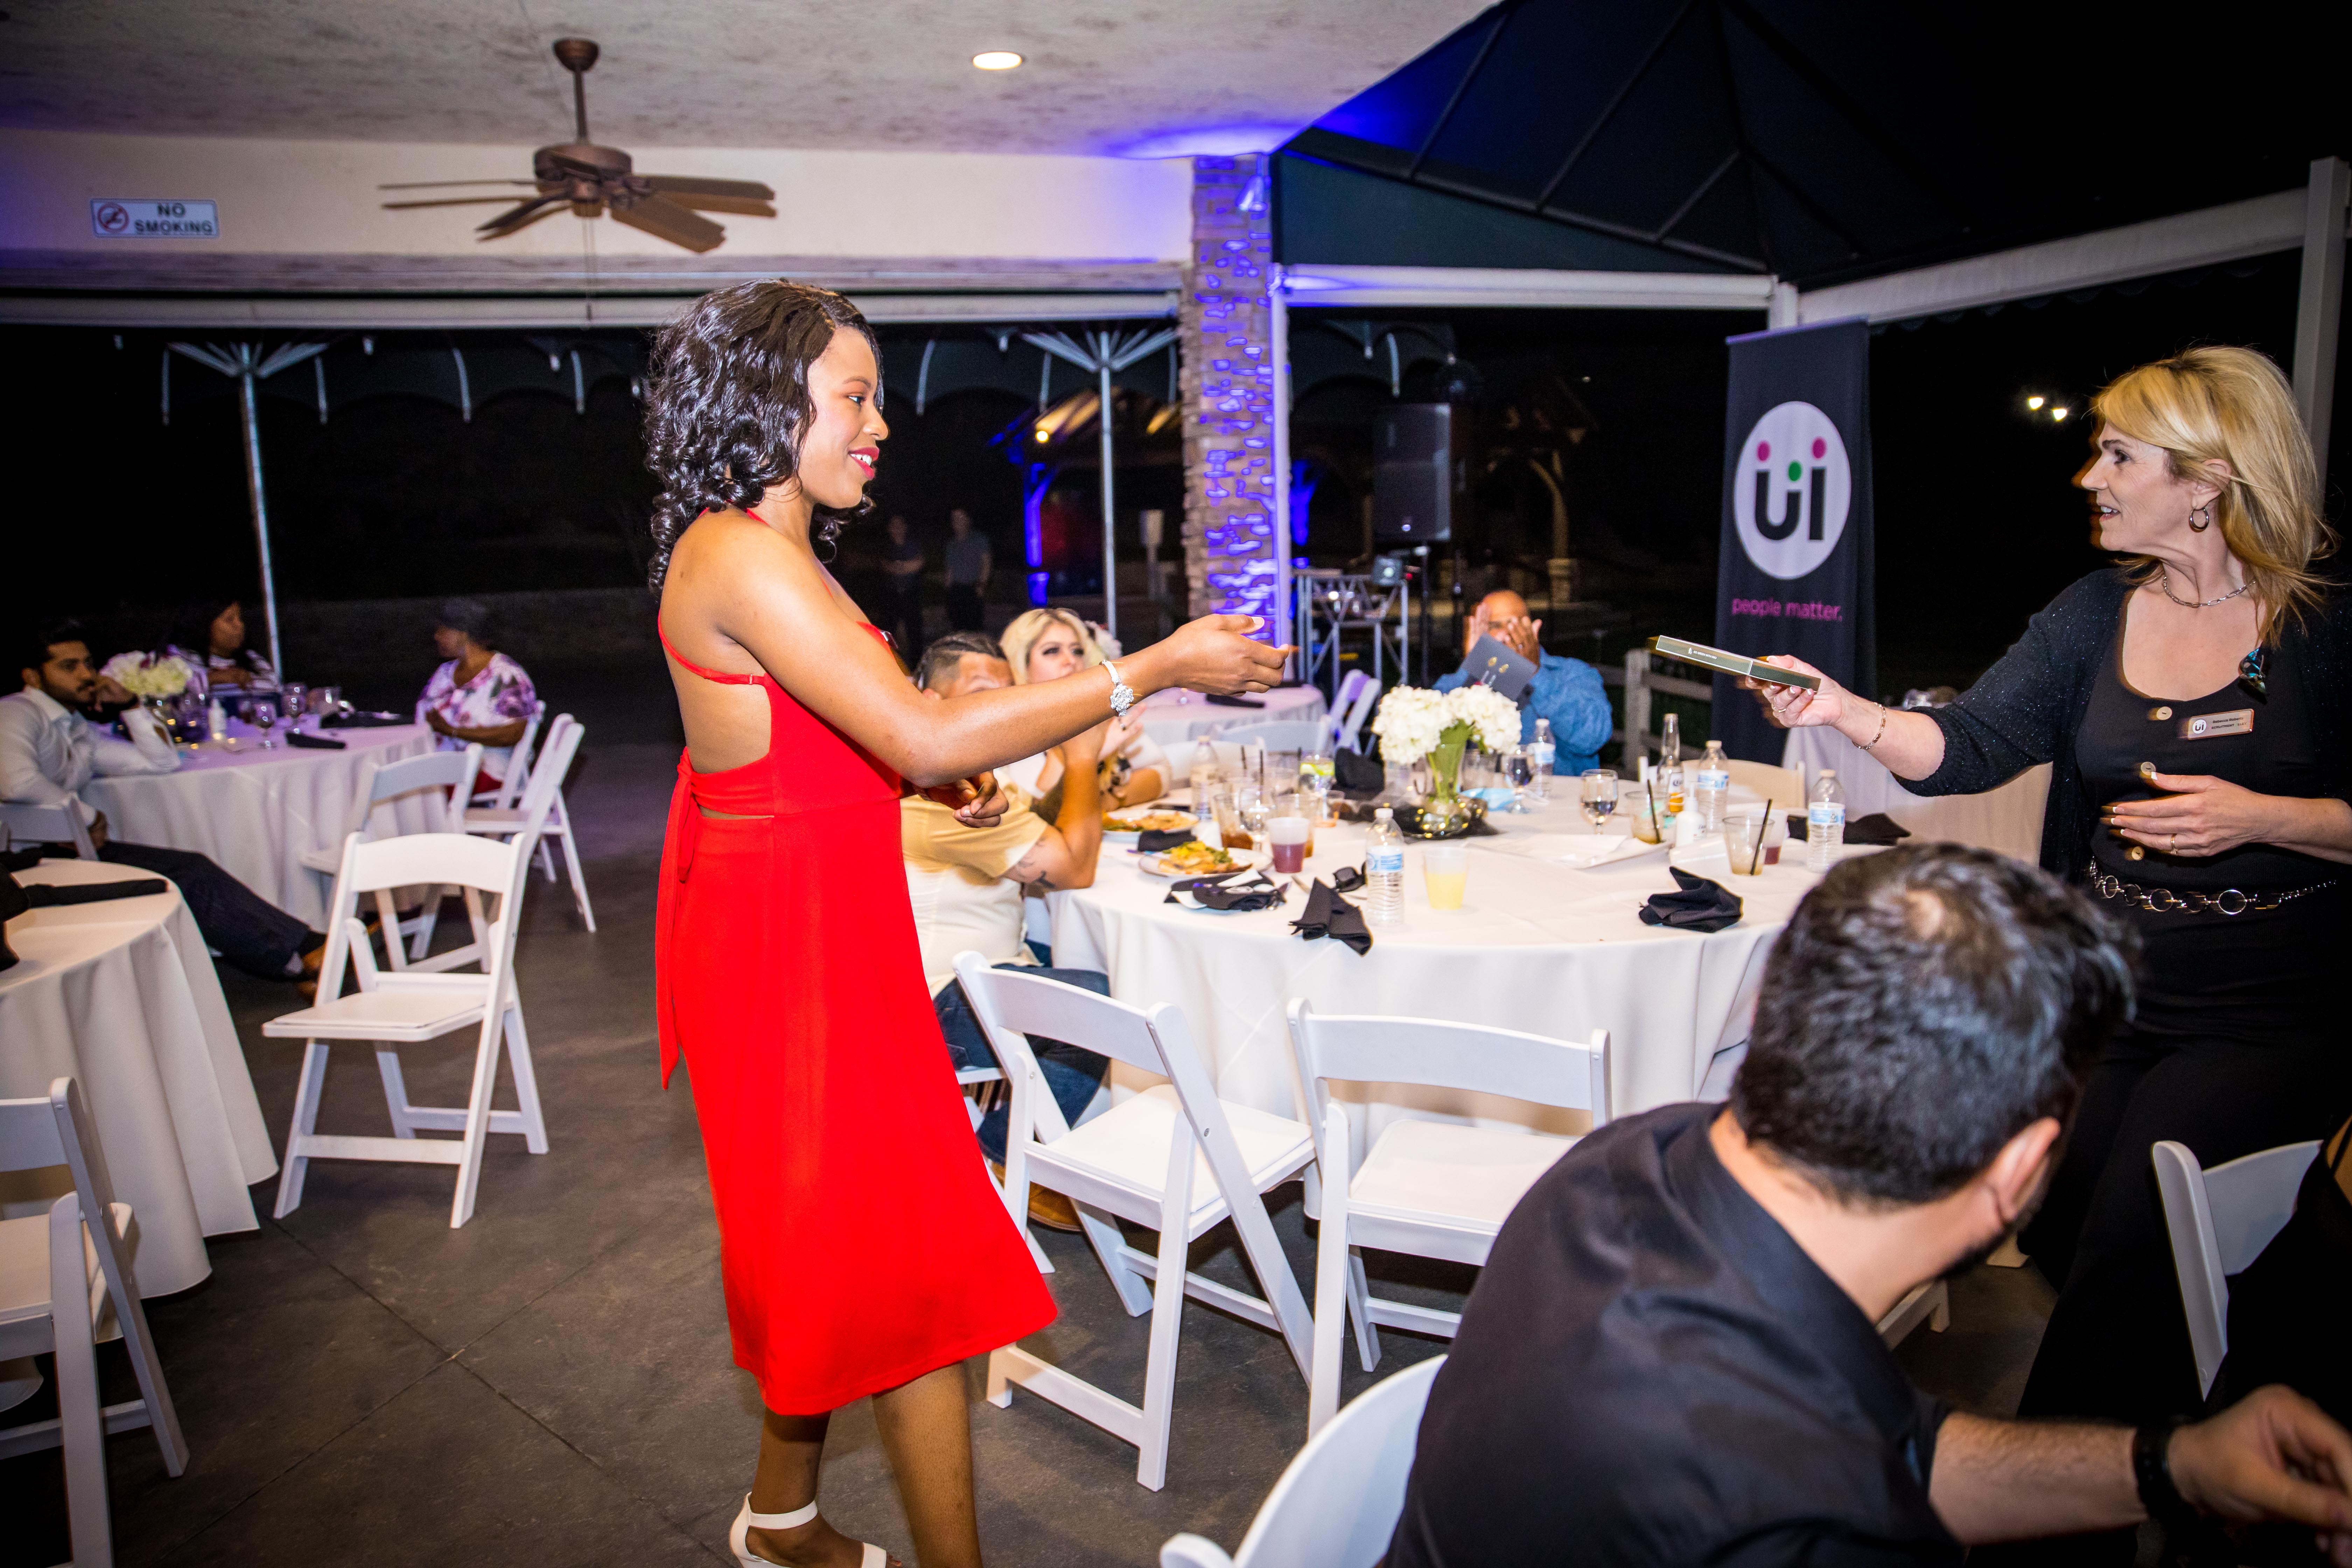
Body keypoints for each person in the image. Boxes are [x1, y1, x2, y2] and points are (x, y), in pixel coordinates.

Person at [642, 279, 1286, 1568]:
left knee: (833, 1252)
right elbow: (918, 727)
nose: (880, 424)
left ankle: (780, 1520)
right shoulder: (738, 553)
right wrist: (1148, 668)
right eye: (855, 397)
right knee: (907, 1270)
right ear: (769, 403)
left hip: (826, 926)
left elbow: (858, 737)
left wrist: (924, 779)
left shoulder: (776, 552)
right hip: (791, 957)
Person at [1744, 348, 2352, 1498]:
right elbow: (1970, 745)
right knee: (2062, 1212)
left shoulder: (2329, 623)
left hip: (2274, 1007)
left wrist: (2267, 816)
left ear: (2207, 480)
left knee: (2134, 1225)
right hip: (2114, 984)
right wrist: (1845, 710)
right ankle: (2222, 1429)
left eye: (2119, 456)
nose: (2090, 477)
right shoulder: (2092, 615)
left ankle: (2081, 1498)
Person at [1388, 844, 2352, 1568]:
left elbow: (1896, 1446)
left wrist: (2169, 1467)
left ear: (1776, 1017)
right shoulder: (1808, 1521)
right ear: (2020, 1170)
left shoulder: (1622, 1163)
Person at [903, 631, 1114, 1231]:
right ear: (928, 701)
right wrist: (1082, 758)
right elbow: (1073, 867)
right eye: (979, 695)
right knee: (1105, 1000)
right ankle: (1006, 1156)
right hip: (932, 1011)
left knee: (1098, 960)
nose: (996, 712)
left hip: (973, 975)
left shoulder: (969, 781)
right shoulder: (943, 802)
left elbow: (1044, 825)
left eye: (1005, 697)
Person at [4, 620, 321, 983]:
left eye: (88, 664)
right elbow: (16, 781)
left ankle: (304, 950)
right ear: (33, 677)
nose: (87, 675)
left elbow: (163, 762)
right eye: (69, 666)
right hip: (22, 865)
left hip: (67, 853)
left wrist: (130, 704)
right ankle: (300, 956)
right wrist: (88, 816)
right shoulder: (16, 712)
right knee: (187, 874)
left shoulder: (76, 728)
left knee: (191, 868)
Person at [999, 606, 1169, 810]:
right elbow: (1034, 809)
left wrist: (1109, 801)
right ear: (1021, 664)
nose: (1071, 661)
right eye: (1052, 651)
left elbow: (1162, 773)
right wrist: (1084, 757)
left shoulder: (1100, 716)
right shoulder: (1012, 730)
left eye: (1077, 651)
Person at [1432, 588, 1612, 772]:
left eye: (1514, 624)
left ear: (1533, 629)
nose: (1505, 635)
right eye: (1494, 626)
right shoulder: (1469, 680)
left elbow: (1592, 738)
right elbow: (1429, 731)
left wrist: (1535, 674)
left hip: (1555, 789)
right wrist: (1472, 665)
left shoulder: (1571, 673)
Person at [416, 598, 538, 793]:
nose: (436, 637)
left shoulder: (505, 675)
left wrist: (452, 731)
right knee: (395, 781)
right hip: (445, 767)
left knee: (409, 791)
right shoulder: (444, 674)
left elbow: (514, 733)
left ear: (463, 634)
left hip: (490, 770)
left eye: (443, 630)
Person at [168, 596, 277, 691]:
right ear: (205, 624)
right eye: (230, 619)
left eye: (240, 618)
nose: (240, 625)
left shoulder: (254, 660)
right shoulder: (178, 659)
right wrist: (212, 679)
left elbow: (277, 692)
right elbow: (168, 694)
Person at [882, 513, 926, 655]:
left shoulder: (914, 545)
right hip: (892, 595)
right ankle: (890, 659)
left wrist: (899, 567)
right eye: (894, 525)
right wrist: (905, 567)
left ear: (905, 527)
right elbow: (885, 566)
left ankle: (917, 663)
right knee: (889, 630)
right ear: (889, 528)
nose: (897, 528)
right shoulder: (886, 547)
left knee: (915, 631)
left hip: (911, 593)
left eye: (900, 525)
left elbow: (919, 564)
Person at [943, 508, 990, 632]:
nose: (957, 521)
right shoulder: (951, 544)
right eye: (954, 518)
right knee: (958, 626)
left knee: (975, 628)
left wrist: (982, 584)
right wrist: (947, 593)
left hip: (974, 588)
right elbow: (950, 570)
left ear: (968, 520)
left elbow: (986, 563)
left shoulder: (979, 539)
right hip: (956, 590)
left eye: (961, 518)